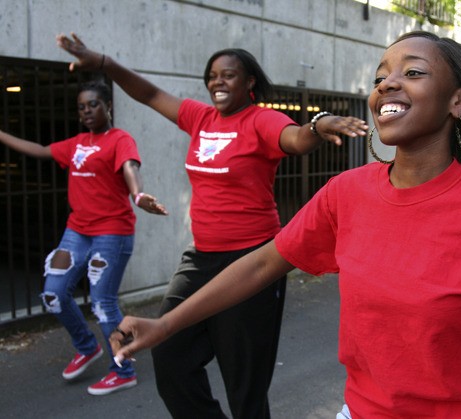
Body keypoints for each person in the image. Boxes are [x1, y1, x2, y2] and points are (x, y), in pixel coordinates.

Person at [106, 31, 461, 418]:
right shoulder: (348, 193)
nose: (387, 83)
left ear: (459, 101)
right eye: (380, 75)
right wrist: (165, 324)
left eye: (412, 73)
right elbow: (263, 264)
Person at [56, 33, 368, 418]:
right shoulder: (199, 117)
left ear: (249, 82)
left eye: (229, 75)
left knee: (244, 382)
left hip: (253, 260)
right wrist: (104, 61)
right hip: (200, 259)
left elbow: (295, 139)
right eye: (213, 76)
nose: (218, 82)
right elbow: (150, 94)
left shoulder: (261, 120)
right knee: (170, 359)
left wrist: (318, 126)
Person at [0, 80, 168, 395]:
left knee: (103, 303)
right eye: (82, 107)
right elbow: (40, 150)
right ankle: (87, 346)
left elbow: (130, 167)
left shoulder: (120, 139)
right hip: (77, 230)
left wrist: (138, 194)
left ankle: (123, 370)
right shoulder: (77, 143)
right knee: (54, 293)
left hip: (112, 231)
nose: (87, 111)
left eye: (93, 104)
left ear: (108, 106)